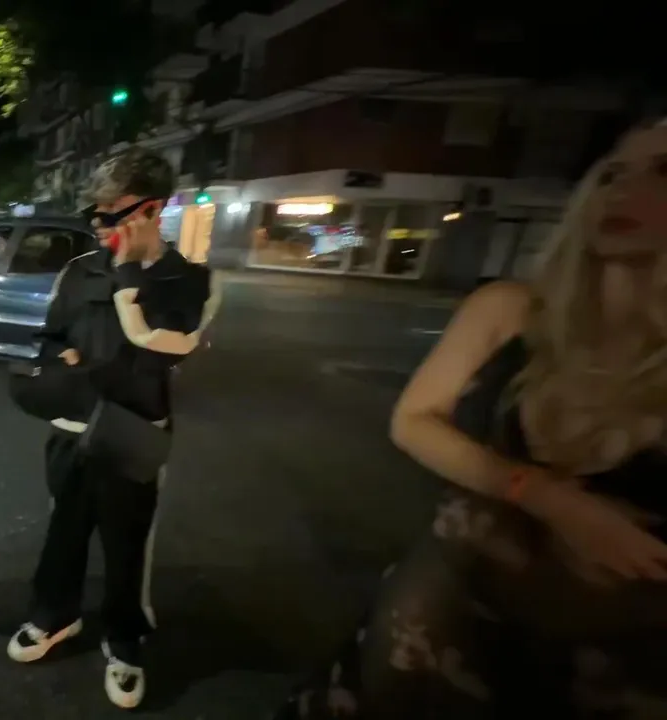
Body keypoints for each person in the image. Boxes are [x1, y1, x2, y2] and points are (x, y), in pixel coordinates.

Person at [274, 120, 667, 719]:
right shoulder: (508, 311)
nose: (623, 191)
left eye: (663, 172)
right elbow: (414, 420)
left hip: (614, 668)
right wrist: (548, 497)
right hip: (440, 627)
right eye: (613, 173)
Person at [7, 147, 220, 709]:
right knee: (64, 532)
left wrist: (128, 280)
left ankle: (124, 640)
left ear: (154, 208)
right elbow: (51, 339)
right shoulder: (79, 271)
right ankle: (55, 615)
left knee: (128, 547)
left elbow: (166, 350)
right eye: (94, 212)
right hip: (71, 429)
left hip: (133, 435)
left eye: (111, 212)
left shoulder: (190, 281)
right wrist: (59, 361)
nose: (99, 224)